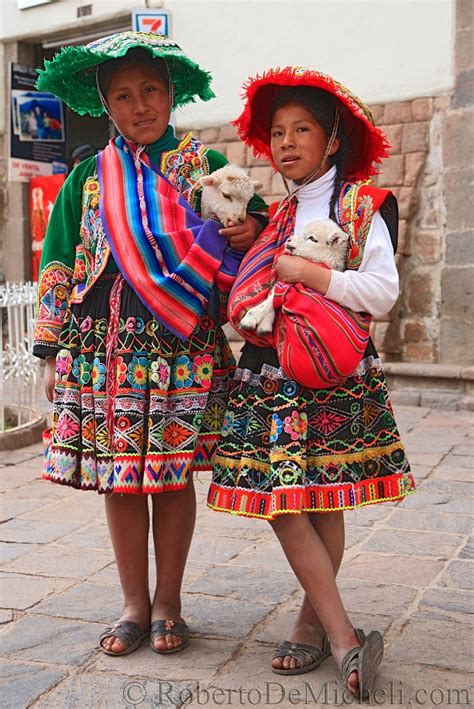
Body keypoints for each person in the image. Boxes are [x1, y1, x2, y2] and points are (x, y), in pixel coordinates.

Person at [33, 31, 267, 658]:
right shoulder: (86, 176)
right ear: (105, 106)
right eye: (124, 96)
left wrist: (248, 228)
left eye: (152, 91)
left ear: (171, 96)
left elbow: (259, 227)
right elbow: (59, 260)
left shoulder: (202, 167)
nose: (141, 106)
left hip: (178, 346)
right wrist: (52, 351)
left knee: (166, 477)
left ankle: (169, 603)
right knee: (119, 478)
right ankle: (133, 604)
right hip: (100, 345)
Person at [207, 66, 415, 700]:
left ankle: (318, 625)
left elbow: (382, 290)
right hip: (271, 371)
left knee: (321, 497)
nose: (288, 141)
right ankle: (342, 633)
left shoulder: (363, 205)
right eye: (277, 132)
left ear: (331, 142)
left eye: (303, 130)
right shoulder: (275, 214)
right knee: (282, 503)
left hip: (331, 370)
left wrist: (311, 274)